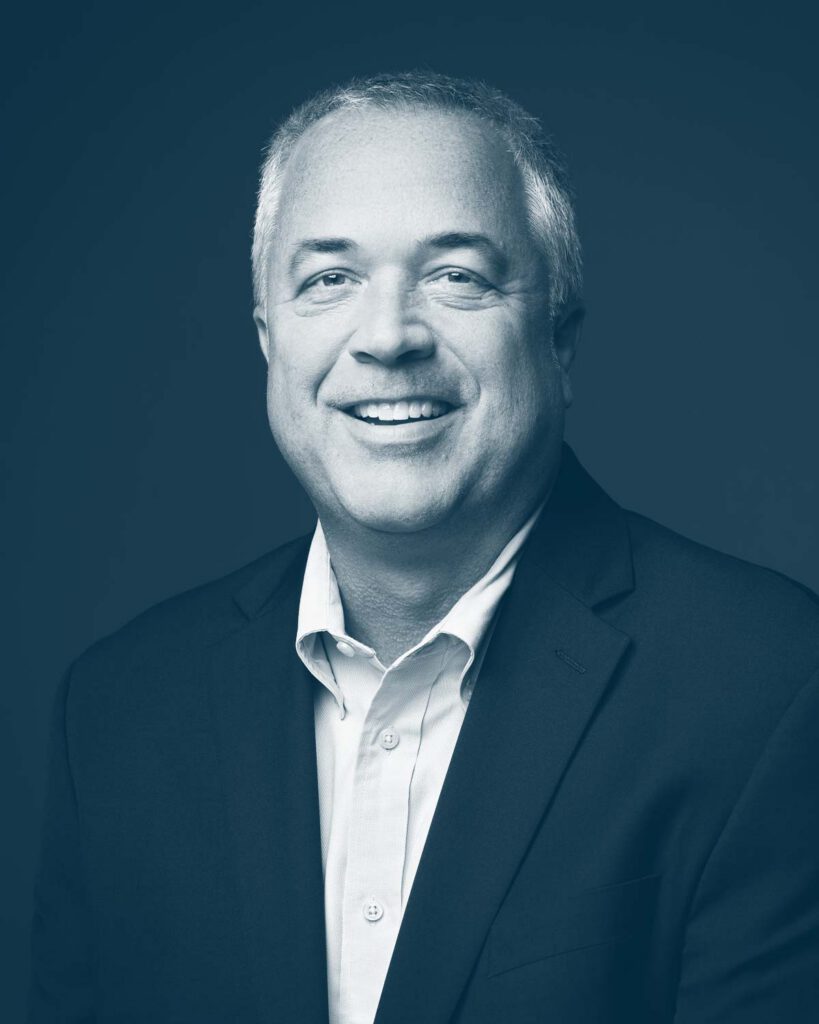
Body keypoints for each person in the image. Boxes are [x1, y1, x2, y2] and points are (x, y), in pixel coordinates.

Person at [28, 71, 819, 1024]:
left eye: (456, 276)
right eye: (329, 279)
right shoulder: (118, 713)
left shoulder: (767, 683)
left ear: (558, 340)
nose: (389, 337)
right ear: (269, 342)